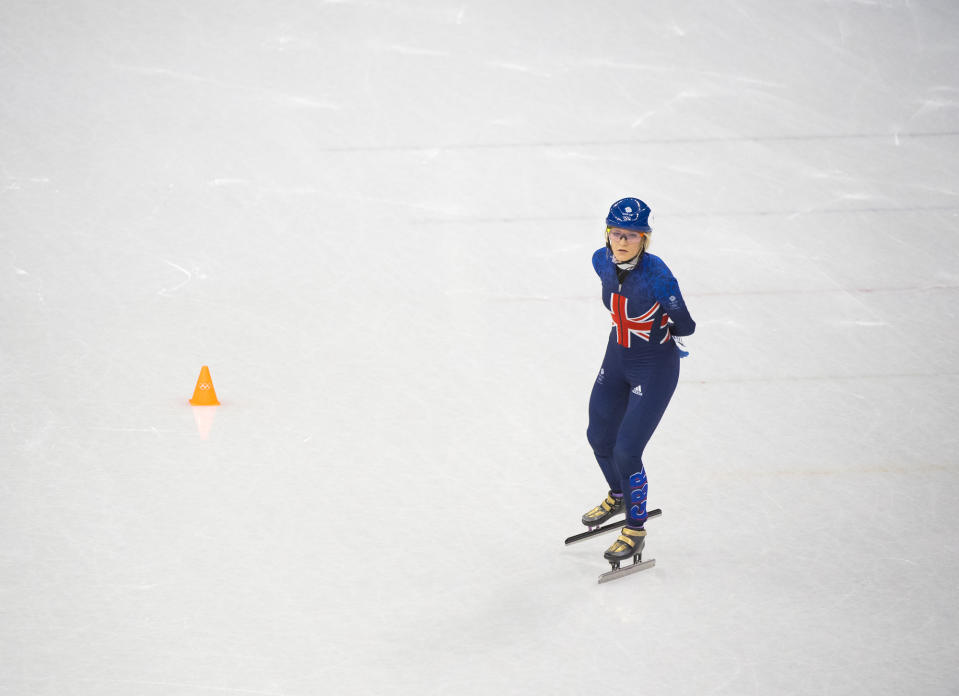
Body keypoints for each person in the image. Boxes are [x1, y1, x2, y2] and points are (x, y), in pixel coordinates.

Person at [582, 197, 695, 566]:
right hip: (617, 358)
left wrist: (662, 335)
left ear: (645, 239)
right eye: (616, 233)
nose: (622, 241)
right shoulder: (601, 261)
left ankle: (635, 529)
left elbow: (687, 326)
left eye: (631, 235)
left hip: (654, 367)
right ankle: (619, 493)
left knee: (627, 450)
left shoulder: (659, 275)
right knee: (598, 436)